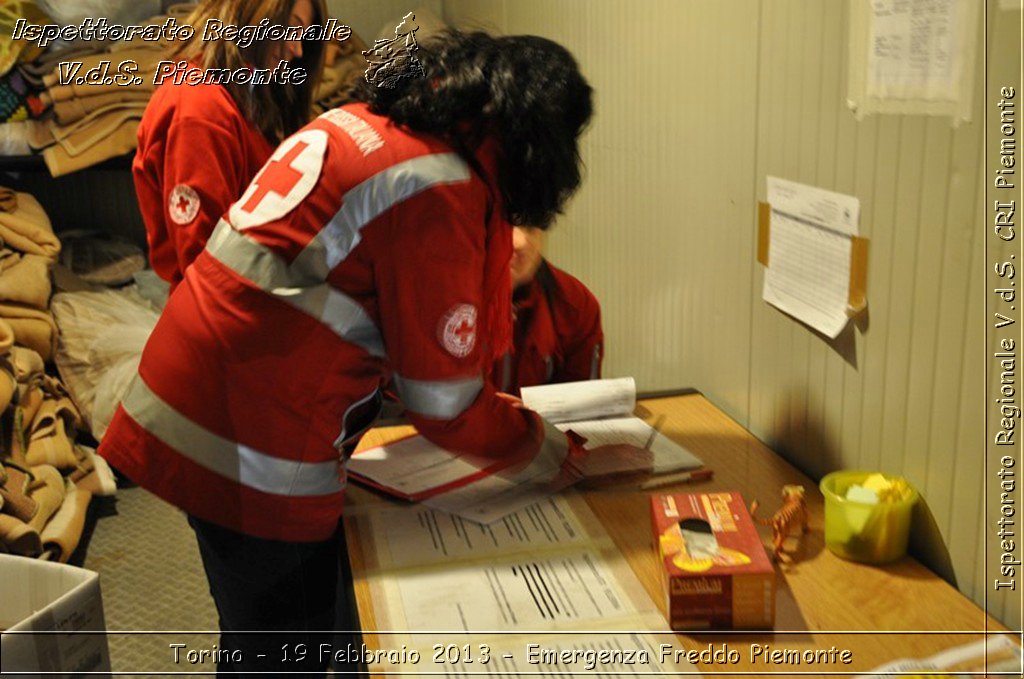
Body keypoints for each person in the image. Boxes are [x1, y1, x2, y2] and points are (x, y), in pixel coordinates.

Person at [99, 30, 646, 677]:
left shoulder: (363, 124)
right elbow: (446, 405)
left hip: (199, 400)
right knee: (284, 657)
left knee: (273, 638)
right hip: (247, 445)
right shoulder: (437, 184)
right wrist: (560, 453)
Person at [133, 0, 327, 293]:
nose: (297, 49)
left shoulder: (242, 94)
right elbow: (208, 269)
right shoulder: (200, 108)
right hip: (227, 314)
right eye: (293, 27)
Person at [493, 226, 603, 395]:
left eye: (530, 226)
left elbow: (580, 409)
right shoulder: (442, 301)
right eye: (502, 223)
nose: (519, 242)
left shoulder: (575, 305)